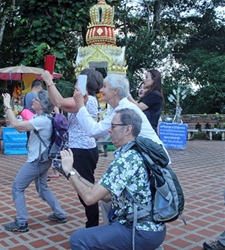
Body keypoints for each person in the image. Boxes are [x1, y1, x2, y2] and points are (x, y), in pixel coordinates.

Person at [60, 108, 166, 250]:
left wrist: (69, 172)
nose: (109, 130)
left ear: (127, 129)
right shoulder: (135, 152)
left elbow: (90, 198)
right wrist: (74, 172)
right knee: (107, 206)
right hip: (150, 226)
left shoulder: (126, 160)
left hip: (140, 231)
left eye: (113, 126)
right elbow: (107, 196)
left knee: (78, 239)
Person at [73, 73, 169, 227]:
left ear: (116, 91)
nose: (101, 90)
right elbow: (95, 129)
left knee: (111, 198)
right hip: (146, 163)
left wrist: (80, 106)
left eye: (105, 86)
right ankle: (114, 232)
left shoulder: (124, 110)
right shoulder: (120, 108)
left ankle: (127, 233)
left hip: (151, 167)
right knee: (108, 200)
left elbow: (93, 130)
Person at [41, 68, 103, 228]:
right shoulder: (84, 98)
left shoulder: (87, 99)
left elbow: (60, 102)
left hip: (83, 151)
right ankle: (92, 225)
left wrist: (49, 81)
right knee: (84, 188)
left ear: (85, 83)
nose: (76, 83)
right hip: (83, 149)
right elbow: (58, 101)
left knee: (86, 191)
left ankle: (93, 227)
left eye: (79, 80)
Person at [2, 90, 67, 233]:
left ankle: (21, 222)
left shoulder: (42, 120)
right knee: (42, 187)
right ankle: (60, 214)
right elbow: (21, 123)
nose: (33, 101)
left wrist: (7, 106)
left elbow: (17, 127)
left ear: (42, 105)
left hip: (36, 161)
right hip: (44, 159)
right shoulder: (45, 117)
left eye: (36, 100)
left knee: (17, 188)